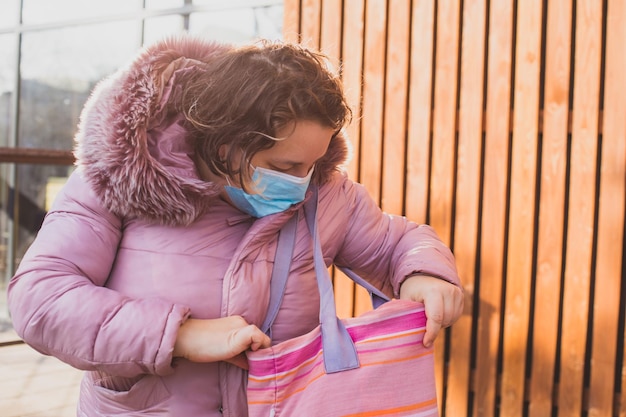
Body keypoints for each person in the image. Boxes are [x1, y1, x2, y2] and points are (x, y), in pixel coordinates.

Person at [7, 35, 463, 416]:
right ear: (226, 145)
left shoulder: (327, 193)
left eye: (314, 162)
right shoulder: (115, 181)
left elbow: (397, 243)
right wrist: (178, 336)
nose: (303, 181)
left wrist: (424, 272)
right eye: (285, 165)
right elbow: (40, 300)